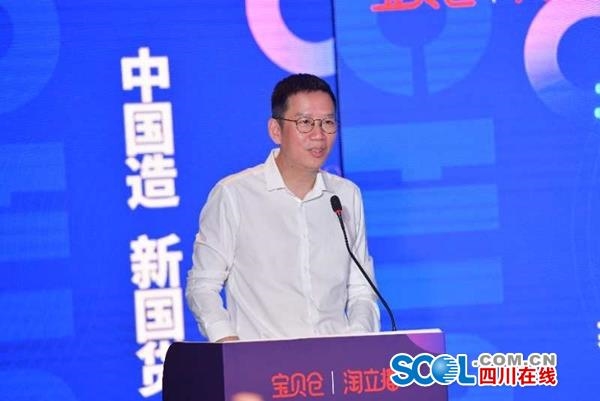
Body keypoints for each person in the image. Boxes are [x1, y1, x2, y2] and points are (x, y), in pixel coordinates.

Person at [185, 73, 380, 342]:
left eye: (327, 122)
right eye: (305, 123)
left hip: (336, 360)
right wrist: (227, 342)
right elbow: (202, 285)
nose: (318, 135)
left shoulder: (346, 195)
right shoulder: (234, 195)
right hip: (261, 361)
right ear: (276, 130)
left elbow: (361, 289)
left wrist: (357, 341)